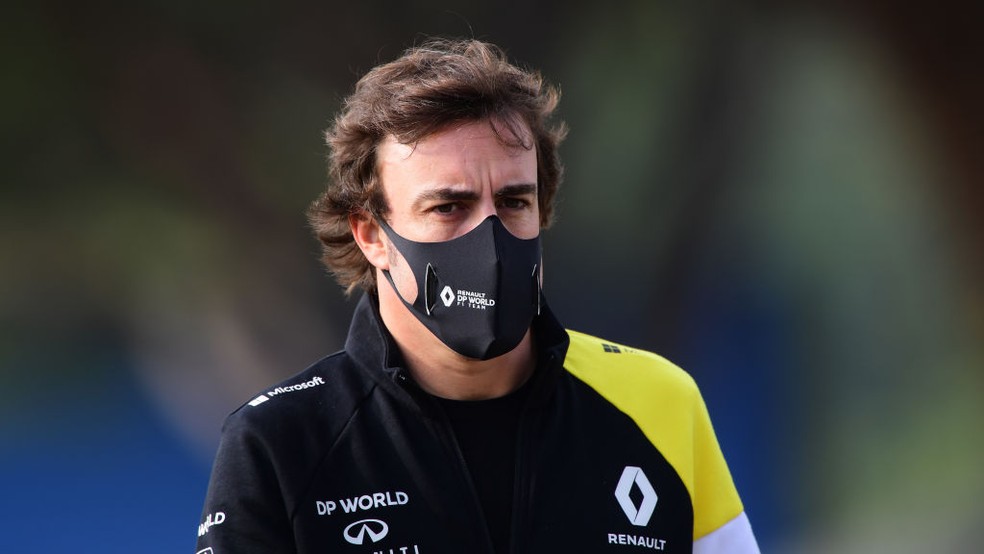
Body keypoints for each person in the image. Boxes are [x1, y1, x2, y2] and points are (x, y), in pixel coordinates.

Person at [195, 38, 760, 554]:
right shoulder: (280, 443)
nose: (489, 239)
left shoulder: (660, 403)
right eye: (448, 207)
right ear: (371, 235)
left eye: (514, 202)